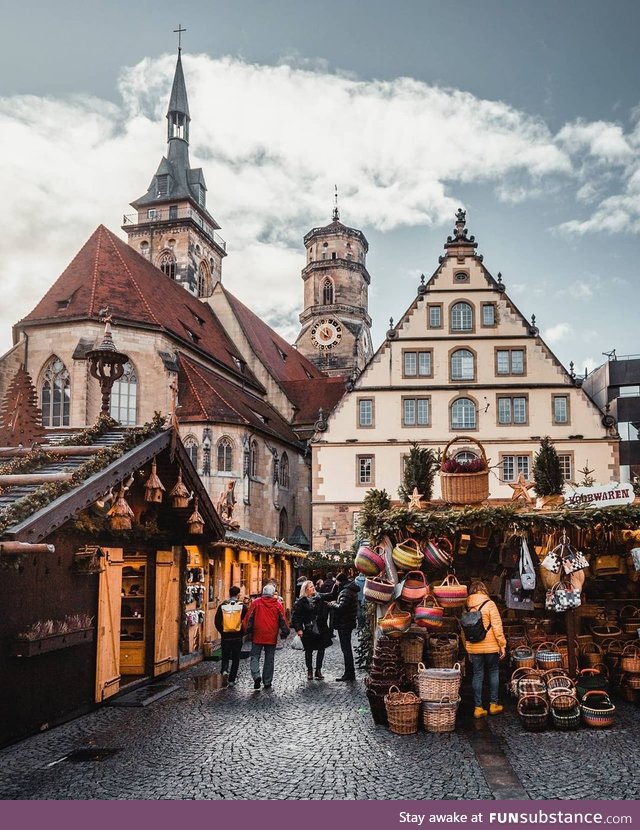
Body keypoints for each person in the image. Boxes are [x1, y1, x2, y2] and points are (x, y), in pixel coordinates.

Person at [463, 580, 507, 718]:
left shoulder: (466, 606)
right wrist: (502, 644)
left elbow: (463, 630)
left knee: (477, 674)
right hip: (491, 646)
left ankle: (478, 708)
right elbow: (497, 626)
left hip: (474, 647)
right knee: (493, 672)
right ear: (484, 590)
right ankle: (493, 705)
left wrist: (467, 648)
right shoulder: (490, 604)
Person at [245, 583, 290, 691]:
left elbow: (249, 618)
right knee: (269, 658)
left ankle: (256, 676)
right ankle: (267, 681)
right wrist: (285, 632)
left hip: (258, 634)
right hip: (271, 634)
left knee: (255, 656)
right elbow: (283, 620)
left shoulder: (256, 603)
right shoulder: (277, 604)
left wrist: (247, 631)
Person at [292, 580, 334, 680]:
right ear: (306, 590)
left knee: (321, 649)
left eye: (313, 586)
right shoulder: (301, 602)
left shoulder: (319, 598)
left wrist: (336, 585)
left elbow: (332, 595)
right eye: (311, 587)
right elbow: (296, 617)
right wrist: (299, 629)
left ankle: (318, 670)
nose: (313, 588)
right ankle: (309, 670)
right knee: (309, 650)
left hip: (321, 628)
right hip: (308, 629)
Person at [214, 586, 248, 686]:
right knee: (236, 658)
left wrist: (222, 632)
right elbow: (246, 621)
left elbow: (217, 621)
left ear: (229, 594)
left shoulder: (222, 606)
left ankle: (224, 670)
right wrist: (243, 632)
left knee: (225, 655)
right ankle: (232, 680)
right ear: (238, 595)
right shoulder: (243, 606)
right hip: (237, 636)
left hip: (226, 636)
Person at [329, 573, 360, 681]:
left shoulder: (346, 591)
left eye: (336, 581)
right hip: (347, 623)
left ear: (340, 581)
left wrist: (332, 604)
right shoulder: (349, 589)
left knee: (346, 649)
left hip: (344, 624)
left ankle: (349, 673)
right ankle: (349, 673)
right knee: (346, 649)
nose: (335, 582)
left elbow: (342, 607)